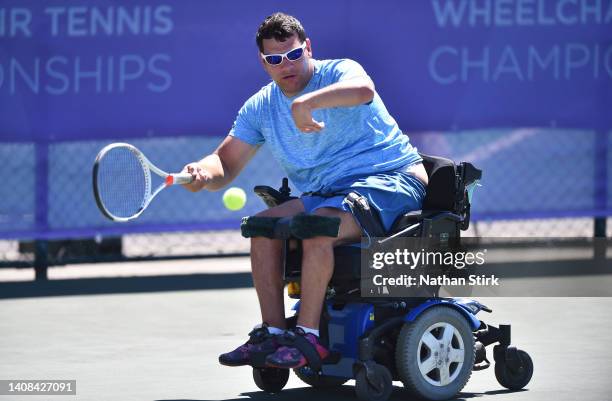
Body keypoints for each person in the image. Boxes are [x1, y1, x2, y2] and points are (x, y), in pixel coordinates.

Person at [181, 12, 428, 369]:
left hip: (391, 179)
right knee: (263, 226)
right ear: (263, 63)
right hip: (330, 193)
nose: (287, 65)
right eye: (275, 60)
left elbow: (364, 90)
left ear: (308, 48)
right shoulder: (260, 107)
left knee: (318, 226)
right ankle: (274, 333)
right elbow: (225, 163)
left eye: (294, 55)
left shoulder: (340, 71)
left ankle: (308, 337)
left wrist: (307, 103)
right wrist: (201, 172)